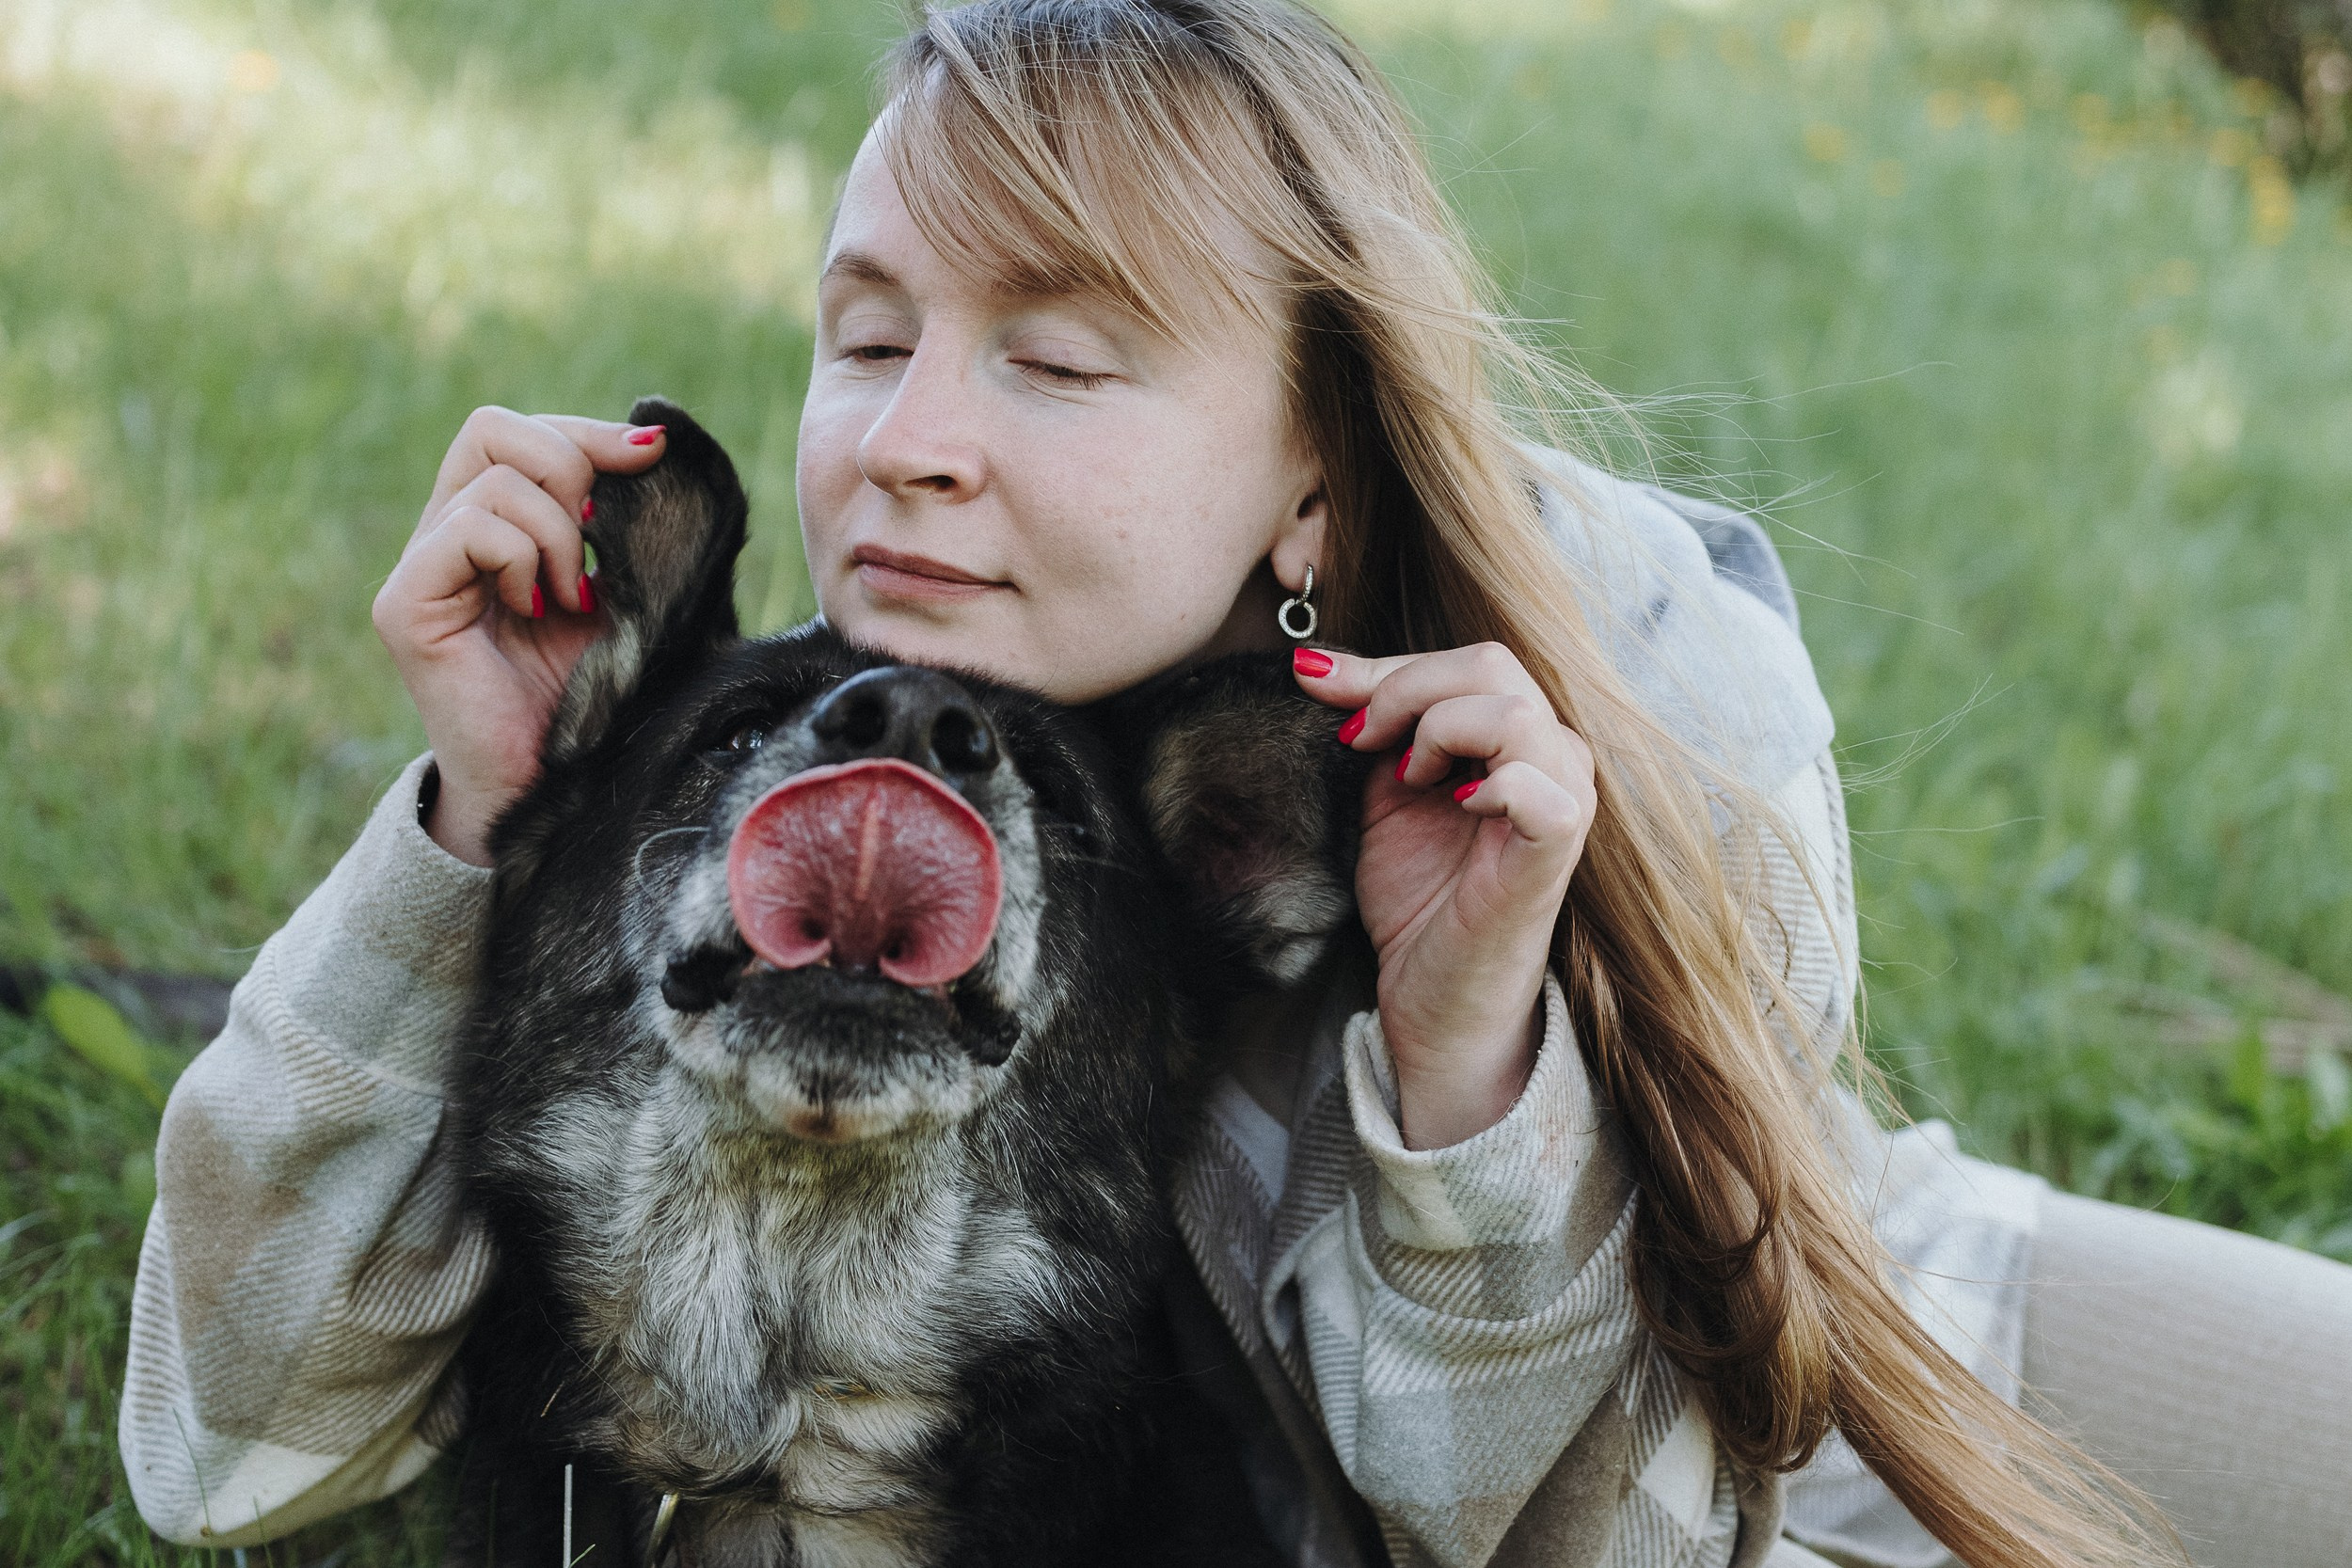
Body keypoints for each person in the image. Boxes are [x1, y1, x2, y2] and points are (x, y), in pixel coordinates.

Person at [118, 2, 2352, 1565]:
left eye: (1059, 359)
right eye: (865, 335)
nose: (906, 439)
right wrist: (473, 831)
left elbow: (1586, 1534)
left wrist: (1467, 1041)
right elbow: (227, 1454)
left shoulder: (1610, 736)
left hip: (1871, 1397)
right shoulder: (816, 762)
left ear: (1313, 463)